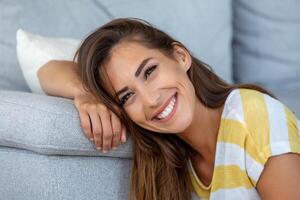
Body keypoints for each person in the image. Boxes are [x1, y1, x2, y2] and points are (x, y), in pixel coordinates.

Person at [37, 18, 300, 200]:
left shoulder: (254, 116)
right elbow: (46, 70)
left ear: (180, 57)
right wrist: (85, 94)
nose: (150, 100)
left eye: (150, 71)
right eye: (127, 96)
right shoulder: (170, 157)